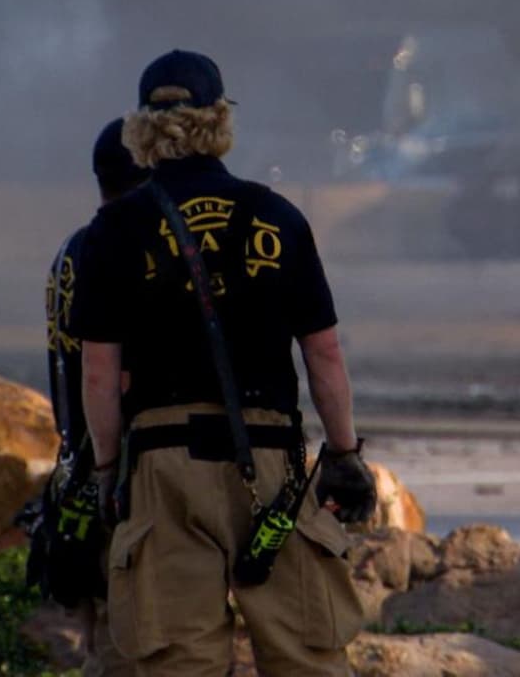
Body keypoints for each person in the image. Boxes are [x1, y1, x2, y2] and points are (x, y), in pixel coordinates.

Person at [72, 49, 376, 676]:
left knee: (179, 659)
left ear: (139, 129)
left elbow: (99, 374)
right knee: (307, 653)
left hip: (163, 467)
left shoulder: (112, 230)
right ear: (219, 120)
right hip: (272, 472)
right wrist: (344, 456)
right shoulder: (278, 217)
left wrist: (106, 471)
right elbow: (324, 353)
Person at [43, 117, 150, 677]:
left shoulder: (71, 251)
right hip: (122, 469)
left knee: (103, 638)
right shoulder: (125, 252)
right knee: (126, 643)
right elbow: (107, 375)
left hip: (75, 473)